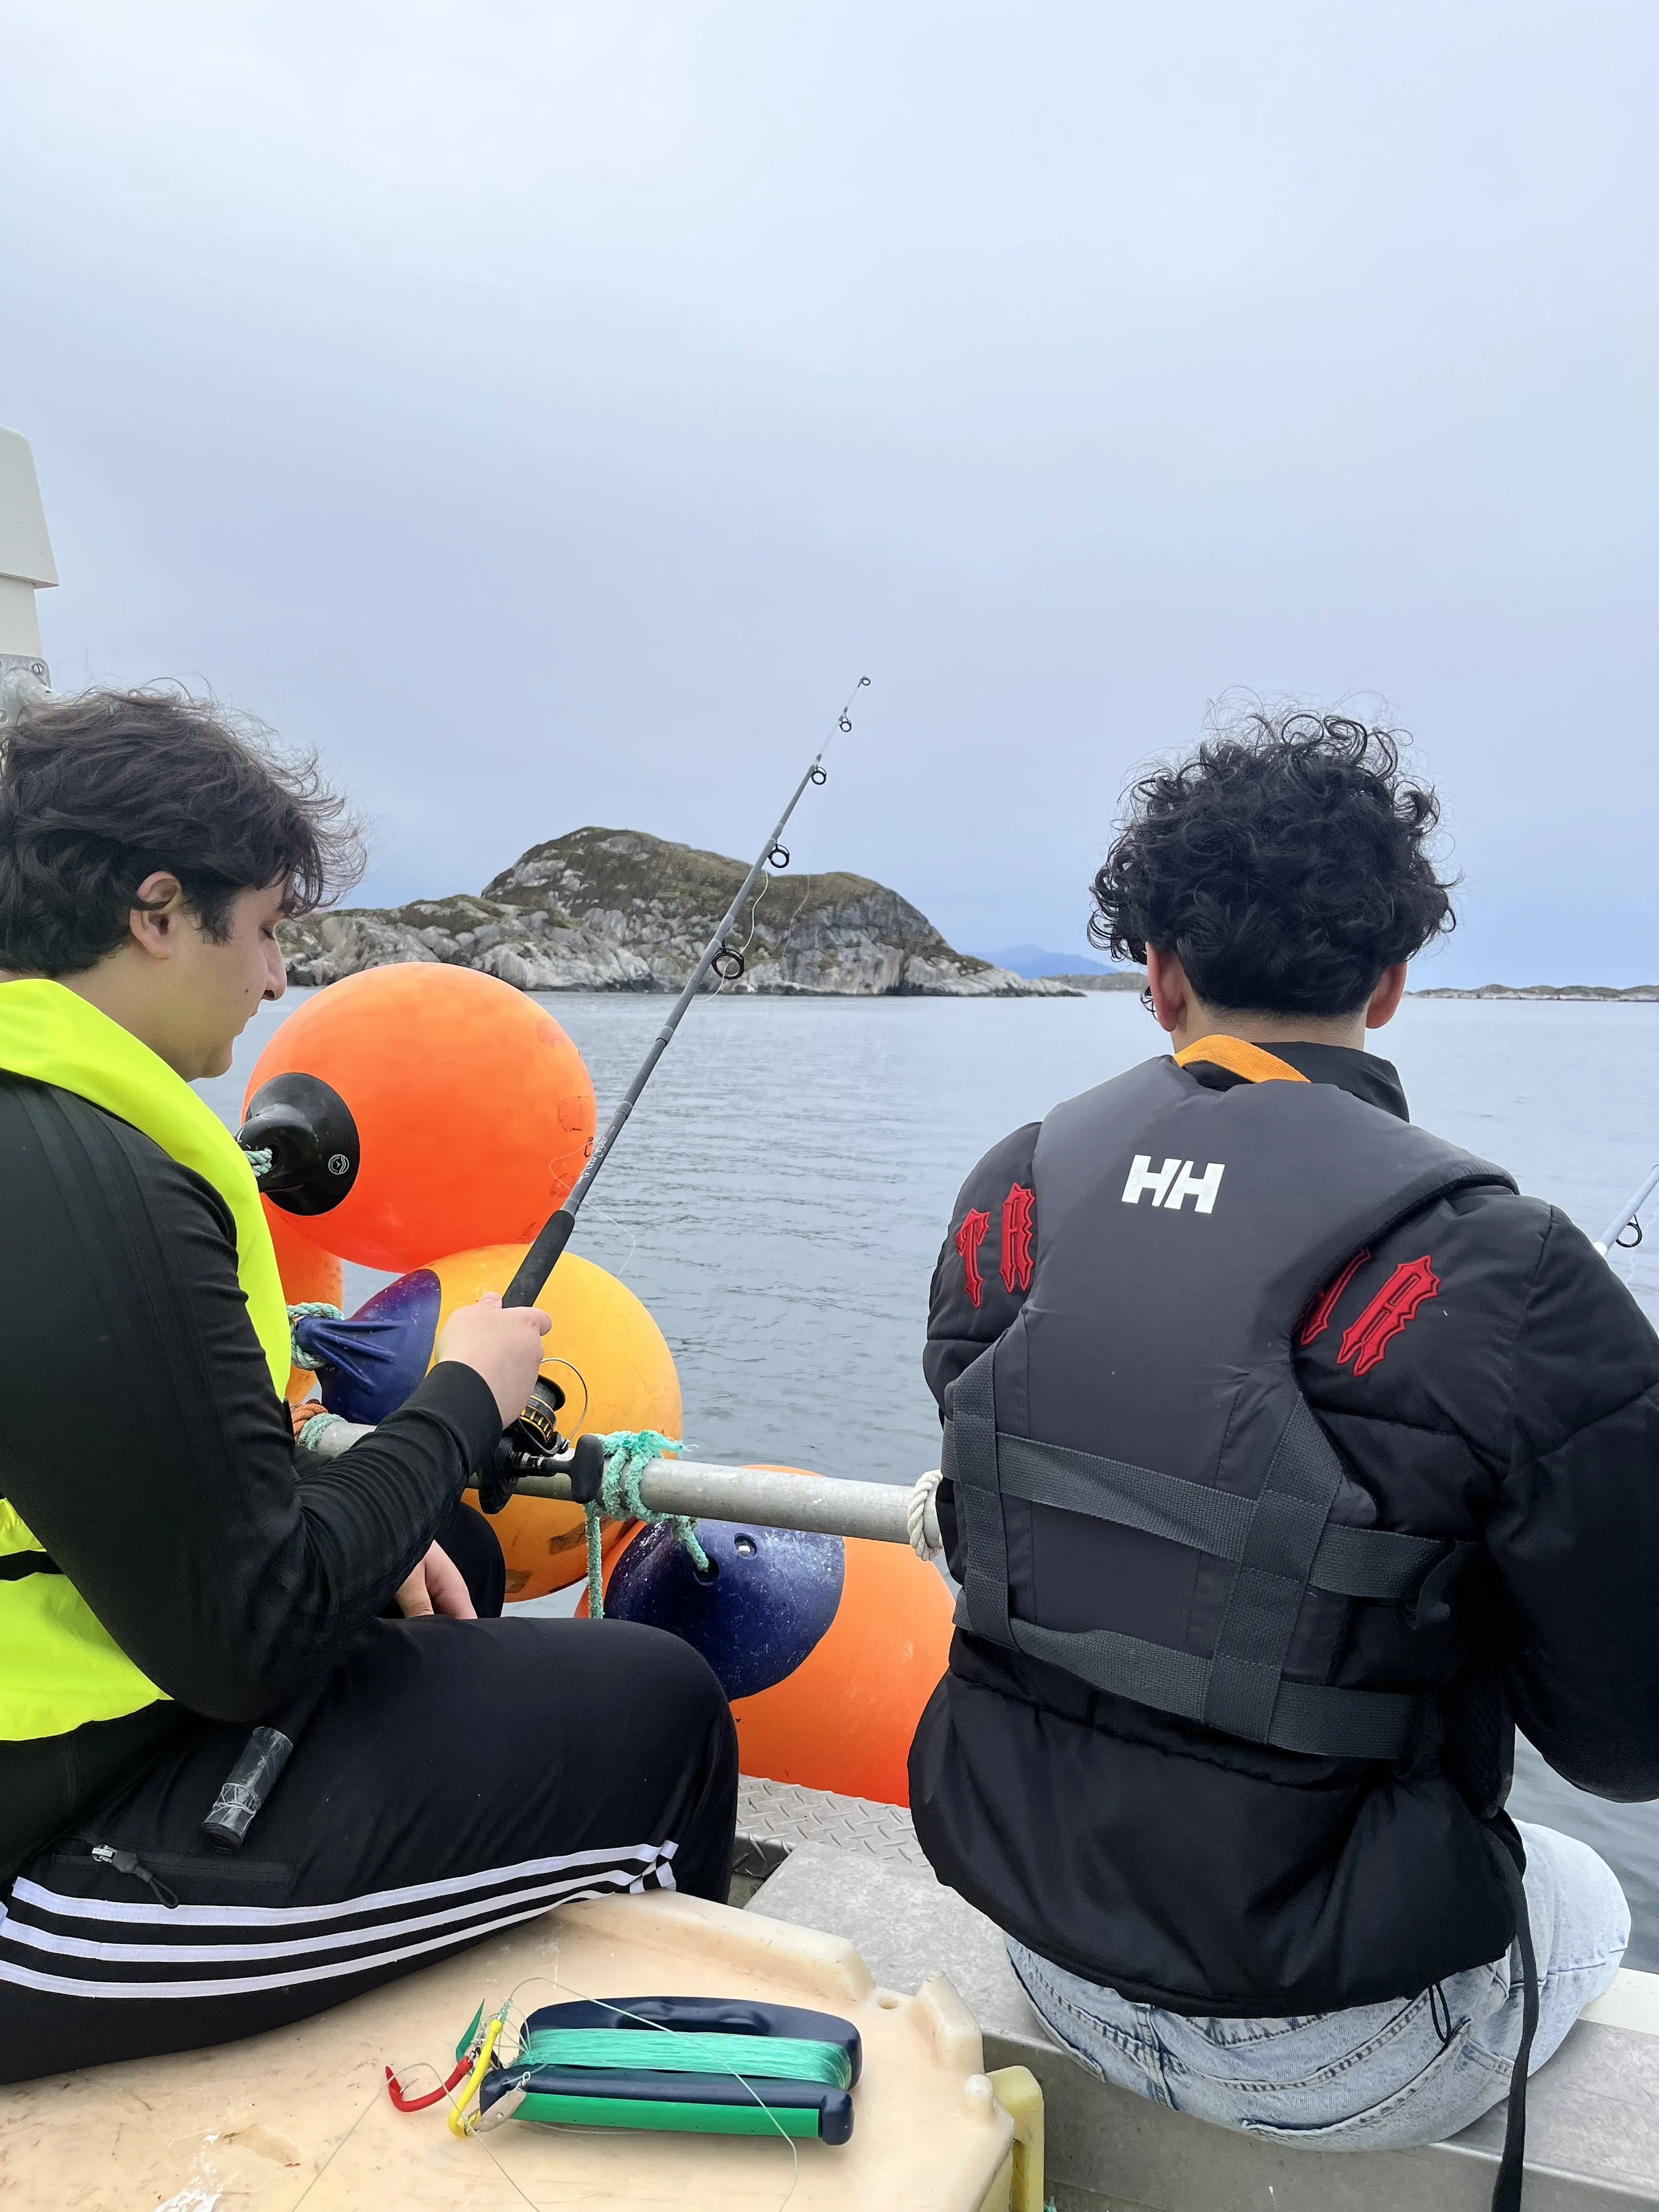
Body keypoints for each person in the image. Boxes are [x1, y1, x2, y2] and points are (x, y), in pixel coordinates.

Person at [910, 711, 1650, 2203]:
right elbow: (1627, 1743)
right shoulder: (1505, 1265)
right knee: (1582, 1889)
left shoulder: (1011, 1192)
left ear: (1157, 973)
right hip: (1341, 2045)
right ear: (1388, 983)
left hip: (1033, 1937)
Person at [0, 688, 736, 2085]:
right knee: (666, 1712)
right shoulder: (95, 1183)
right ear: (157, 911)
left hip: (68, 1736)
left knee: (447, 1551)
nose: (278, 980)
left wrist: (386, 1513)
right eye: (265, 929)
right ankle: (673, 2109)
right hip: (41, 1873)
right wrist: (463, 1398)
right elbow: (252, 1638)